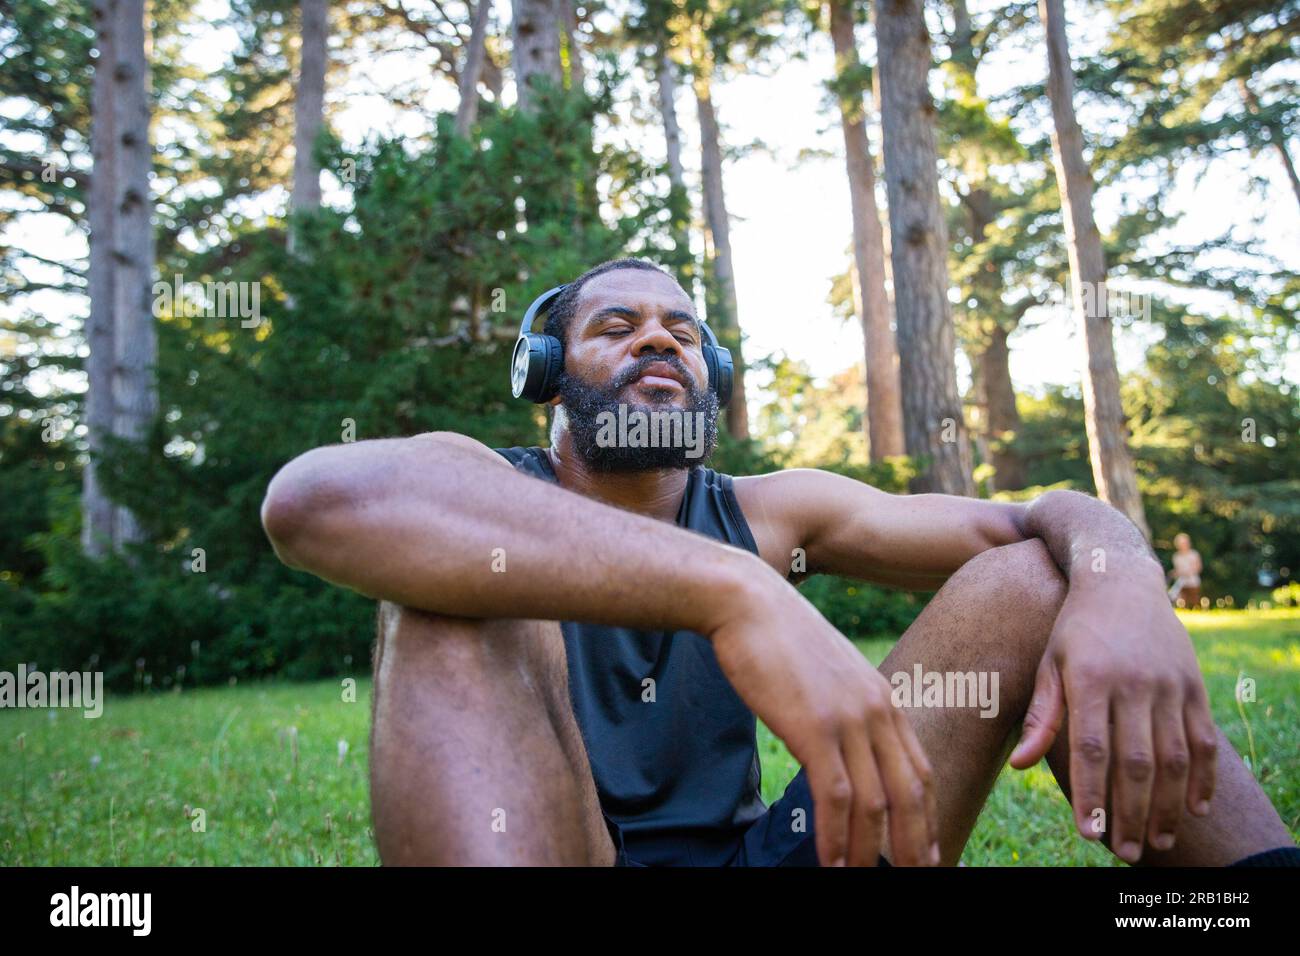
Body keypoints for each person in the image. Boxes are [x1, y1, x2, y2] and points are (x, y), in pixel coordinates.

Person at [260, 258, 1297, 867]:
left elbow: (1028, 522)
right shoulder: (475, 480)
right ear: (546, 373)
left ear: (709, 374)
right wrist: (732, 590)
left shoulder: (772, 509)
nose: (655, 343)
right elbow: (316, 499)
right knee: (450, 586)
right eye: (615, 328)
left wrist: (1120, 575)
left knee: (1036, 577)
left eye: (680, 331)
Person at [1168, 533, 1204, 609]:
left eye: (1185, 543)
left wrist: (1189, 572)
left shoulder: (1194, 554)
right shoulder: (1176, 556)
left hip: (1193, 582)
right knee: (1180, 601)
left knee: (1194, 602)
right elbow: (1177, 570)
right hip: (1181, 582)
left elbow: (1198, 567)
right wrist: (1173, 573)